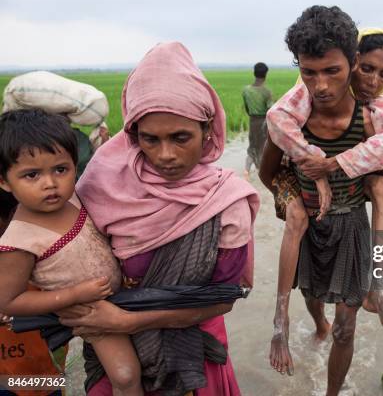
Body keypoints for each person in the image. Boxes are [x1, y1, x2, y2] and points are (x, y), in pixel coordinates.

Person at [60, 42, 259, 395]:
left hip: (194, 352)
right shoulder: (101, 183)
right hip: (119, 351)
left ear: (207, 128)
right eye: (150, 139)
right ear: (133, 134)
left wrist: (126, 319)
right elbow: (58, 252)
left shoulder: (226, 202)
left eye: (181, 137)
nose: (165, 155)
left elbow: (223, 299)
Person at [261, 5, 383, 395]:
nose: (320, 85)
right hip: (309, 227)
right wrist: (292, 201)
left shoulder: (370, 119)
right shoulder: (291, 123)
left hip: (352, 227)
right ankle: (315, 325)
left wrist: (347, 165)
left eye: (331, 71)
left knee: (346, 328)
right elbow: (268, 174)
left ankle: (333, 392)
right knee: (313, 298)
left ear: (353, 63)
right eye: (309, 72)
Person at [0, 109, 143, 395]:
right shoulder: (19, 240)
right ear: (4, 181)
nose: (50, 183)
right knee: (126, 375)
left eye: (60, 169)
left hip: (130, 293)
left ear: (75, 166)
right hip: (90, 311)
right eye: (31, 175)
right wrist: (73, 296)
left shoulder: (76, 196)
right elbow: (9, 301)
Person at [243, 62, 273, 177]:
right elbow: (270, 111)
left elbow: (247, 109)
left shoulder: (246, 90)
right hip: (263, 123)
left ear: (254, 73)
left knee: (252, 146)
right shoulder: (266, 92)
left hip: (252, 121)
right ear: (265, 74)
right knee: (262, 148)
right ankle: (261, 171)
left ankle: (246, 171)